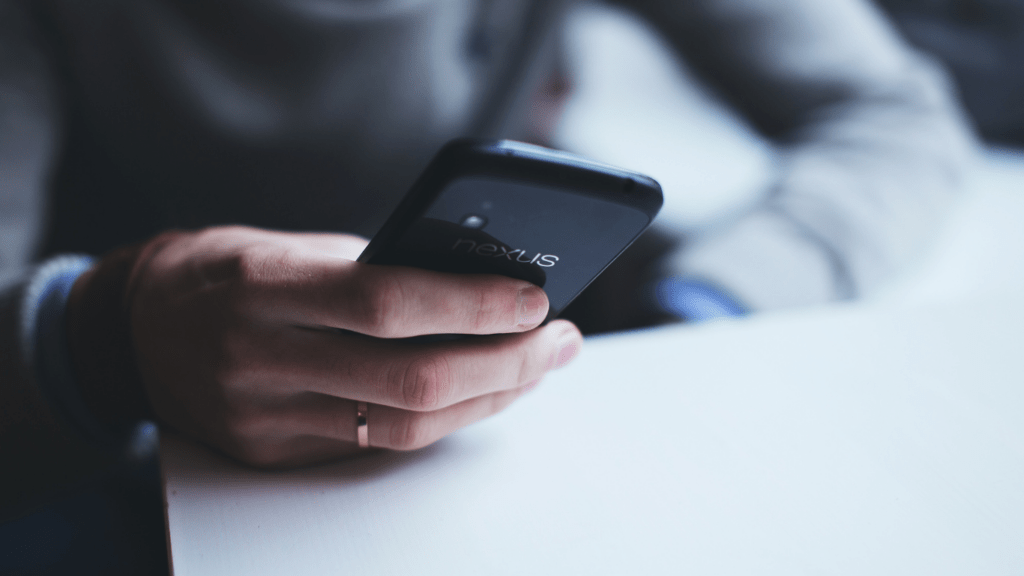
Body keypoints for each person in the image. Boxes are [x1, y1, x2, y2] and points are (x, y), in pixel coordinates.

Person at [1, 0, 972, 570]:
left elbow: (893, 115)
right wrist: (96, 335)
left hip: (533, 395)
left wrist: (706, 311)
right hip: (119, 437)